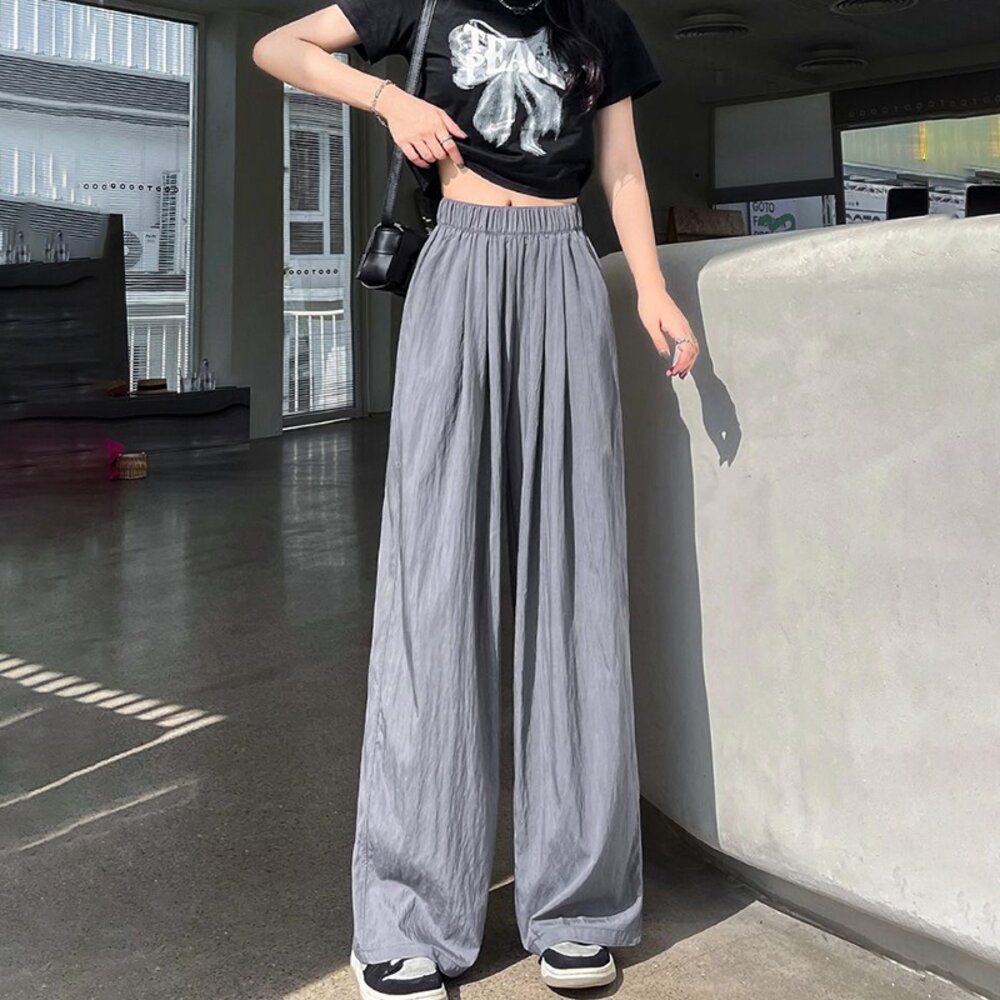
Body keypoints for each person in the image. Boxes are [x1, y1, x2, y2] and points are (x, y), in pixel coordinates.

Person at [253, 1, 700, 996]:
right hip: (455, 263)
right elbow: (276, 46)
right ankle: (410, 914)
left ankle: (579, 903)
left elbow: (622, 169)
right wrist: (388, 101)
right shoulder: (418, 3)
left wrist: (649, 289)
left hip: (563, 269)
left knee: (575, 581)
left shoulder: (598, 19)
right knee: (435, 586)